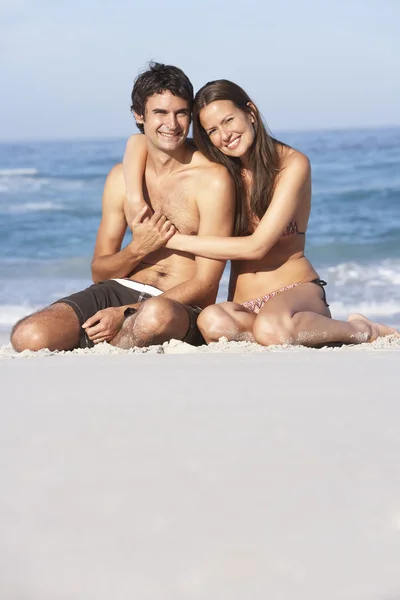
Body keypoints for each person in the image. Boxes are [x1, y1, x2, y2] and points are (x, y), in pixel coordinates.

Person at [123, 79, 399, 347]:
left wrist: (168, 239)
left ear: (250, 112)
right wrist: (136, 199)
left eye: (229, 120)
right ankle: (290, 331)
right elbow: (138, 142)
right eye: (212, 131)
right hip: (244, 303)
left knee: (270, 327)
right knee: (212, 321)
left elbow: (257, 246)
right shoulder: (219, 166)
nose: (225, 135)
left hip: (295, 290)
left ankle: (361, 329)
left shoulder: (292, 165)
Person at [10, 64, 235, 353]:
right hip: (118, 289)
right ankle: (110, 337)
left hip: (177, 303)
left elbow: (206, 283)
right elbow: (99, 271)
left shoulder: (212, 180)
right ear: (139, 115)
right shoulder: (121, 178)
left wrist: (126, 312)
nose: (173, 124)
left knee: (154, 317)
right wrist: (138, 249)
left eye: (181, 113)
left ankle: (110, 339)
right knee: (29, 336)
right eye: (160, 113)